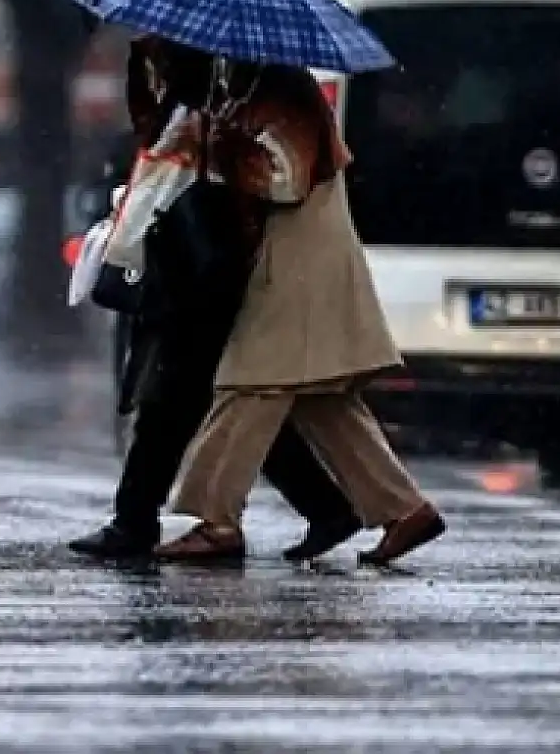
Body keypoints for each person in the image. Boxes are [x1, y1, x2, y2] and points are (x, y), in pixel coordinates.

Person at [69, 39, 360, 561]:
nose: (157, 61)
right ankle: (322, 506)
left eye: (164, 53)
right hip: (178, 262)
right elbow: (153, 150)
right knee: (213, 403)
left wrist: (221, 145)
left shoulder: (251, 97)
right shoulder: (193, 100)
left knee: (175, 402)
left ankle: (137, 521)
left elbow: (280, 179)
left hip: (205, 269)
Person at [154, 57, 445, 566]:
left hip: (298, 264)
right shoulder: (253, 90)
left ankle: (216, 520)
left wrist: (218, 147)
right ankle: (404, 510)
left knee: (249, 384)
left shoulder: (286, 94)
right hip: (295, 259)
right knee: (322, 398)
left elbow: (286, 181)